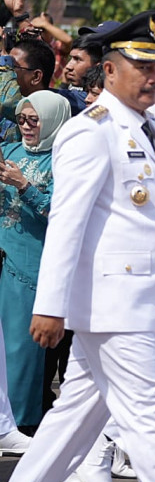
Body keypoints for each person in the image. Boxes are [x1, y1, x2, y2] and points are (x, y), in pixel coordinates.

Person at [4, 10, 155, 482]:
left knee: (73, 424)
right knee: (154, 430)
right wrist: (51, 306)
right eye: (141, 67)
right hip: (116, 309)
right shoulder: (92, 130)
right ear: (108, 70)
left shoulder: (152, 130)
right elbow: (67, 223)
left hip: (145, 308)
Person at [0, 90, 69, 431]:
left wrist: (24, 185)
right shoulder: (10, 150)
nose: (26, 127)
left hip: (33, 263)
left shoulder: (63, 159)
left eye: (34, 120)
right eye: (22, 120)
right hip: (4, 254)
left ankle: (22, 423)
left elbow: (61, 213)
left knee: (23, 348)